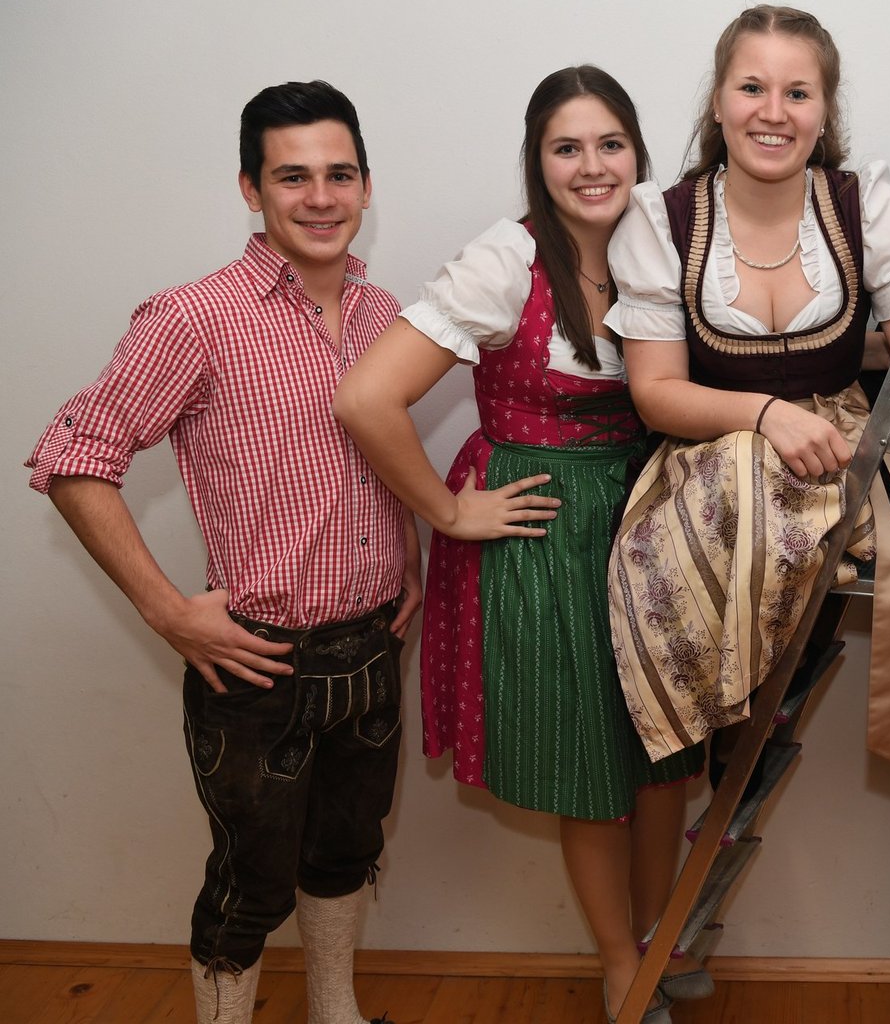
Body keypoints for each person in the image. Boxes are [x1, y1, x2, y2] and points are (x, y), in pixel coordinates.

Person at [26, 81, 418, 1024]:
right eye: (292, 177)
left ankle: (334, 1012)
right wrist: (166, 609)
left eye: (339, 175)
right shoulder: (196, 317)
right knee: (251, 885)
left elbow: (376, 452)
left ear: (367, 186)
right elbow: (72, 457)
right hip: (257, 665)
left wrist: (404, 549)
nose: (320, 197)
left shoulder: (385, 313)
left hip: (372, 651)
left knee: (345, 853)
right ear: (250, 188)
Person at [334, 67, 703, 1024]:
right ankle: (619, 967)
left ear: (637, 153)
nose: (592, 166)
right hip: (546, 531)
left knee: (666, 753)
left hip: (647, 518)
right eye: (566, 148)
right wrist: (450, 513)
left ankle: (656, 939)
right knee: (591, 765)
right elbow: (366, 398)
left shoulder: (666, 245)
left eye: (610, 144)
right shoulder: (508, 258)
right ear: (538, 162)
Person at [605, 4, 890, 765]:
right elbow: (655, 392)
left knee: (776, 480)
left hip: (839, 453)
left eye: (798, 93)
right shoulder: (663, 219)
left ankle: (756, 706)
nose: (773, 112)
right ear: (718, 103)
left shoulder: (864, 207)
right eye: (752, 88)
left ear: (825, 111)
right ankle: (740, 714)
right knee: (746, 470)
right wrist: (765, 415)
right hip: (710, 458)